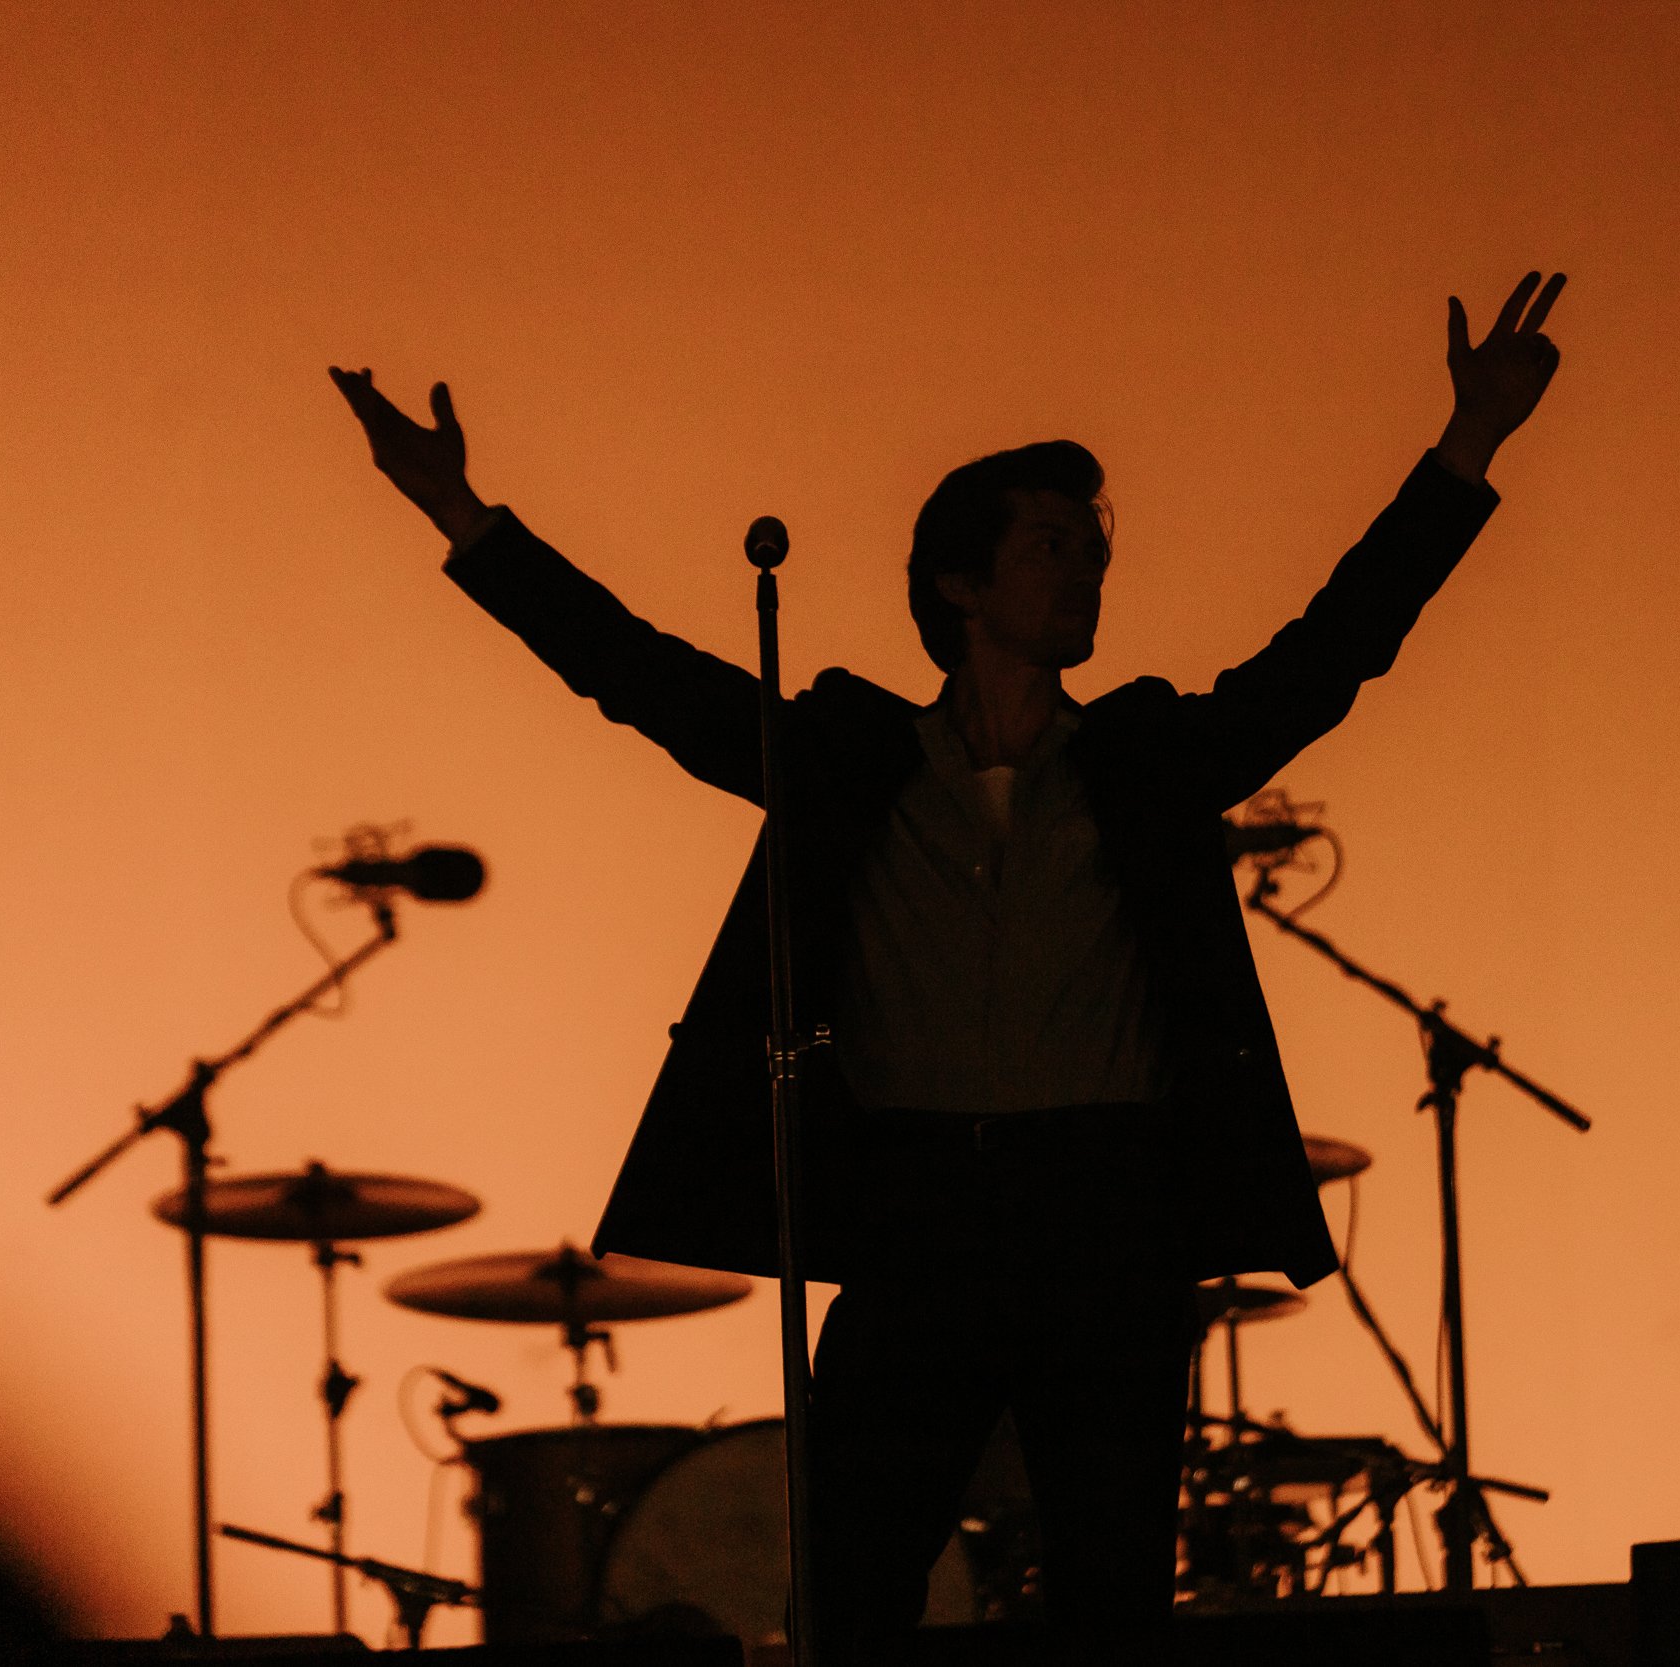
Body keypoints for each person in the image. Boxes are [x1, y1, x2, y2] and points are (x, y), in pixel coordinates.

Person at [329, 271, 1562, 1660]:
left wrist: (1470, 444)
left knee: (1110, 1605)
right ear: (960, 585)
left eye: (1093, 550)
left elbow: (1335, 652)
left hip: (1107, 1216)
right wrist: (459, 512)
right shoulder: (851, 759)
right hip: (915, 1216)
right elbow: (636, 673)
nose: (1087, 572)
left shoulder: (1147, 759)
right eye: (1052, 546)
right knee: (847, 1595)